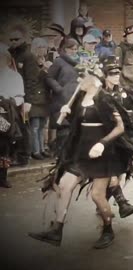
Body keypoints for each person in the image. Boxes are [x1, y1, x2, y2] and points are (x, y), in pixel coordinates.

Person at [29, 61, 133, 248]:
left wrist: (102, 144)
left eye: (81, 76)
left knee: (97, 195)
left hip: (103, 153)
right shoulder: (80, 98)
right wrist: (67, 113)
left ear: (93, 77)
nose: (78, 80)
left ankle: (108, 229)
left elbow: (120, 127)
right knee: (63, 186)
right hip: (81, 152)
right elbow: (78, 123)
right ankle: (56, 230)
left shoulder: (104, 99)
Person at [8, 24, 38, 166]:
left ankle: (24, 156)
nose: (13, 42)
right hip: (10, 98)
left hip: (23, 98)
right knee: (12, 127)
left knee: (24, 127)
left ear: (23, 39)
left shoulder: (28, 56)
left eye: (16, 39)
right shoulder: (9, 54)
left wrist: (28, 101)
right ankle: (13, 154)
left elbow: (31, 80)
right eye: (11, 39)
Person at [45, 38, 80, 155]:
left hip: (75, 98)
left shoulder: (79, 62)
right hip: (61, 100)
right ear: (65, 49)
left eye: (76, 49)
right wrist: (59, 89)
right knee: (63, 128)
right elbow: (49, 77)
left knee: (74, 128)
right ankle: (60, 154)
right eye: (71, 49)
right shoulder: (58, 61)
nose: (74, 51)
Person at [0, 43, 24, 188]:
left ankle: (2, 177)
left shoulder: (15, 77)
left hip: (7, 116)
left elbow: (20, 96)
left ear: (8, 60)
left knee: (4, 146)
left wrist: (8, 101)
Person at [29, 38, 51, 160]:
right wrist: (44, 70)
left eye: (44, 47)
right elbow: (32, 79)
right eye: (40, 47)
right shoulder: (31, 62)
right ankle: (35, 150)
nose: (43, 50)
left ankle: (42, 149)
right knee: (35, 126)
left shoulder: (44, 61)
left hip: (44, 99)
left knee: (42, 126)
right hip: (35, 99)